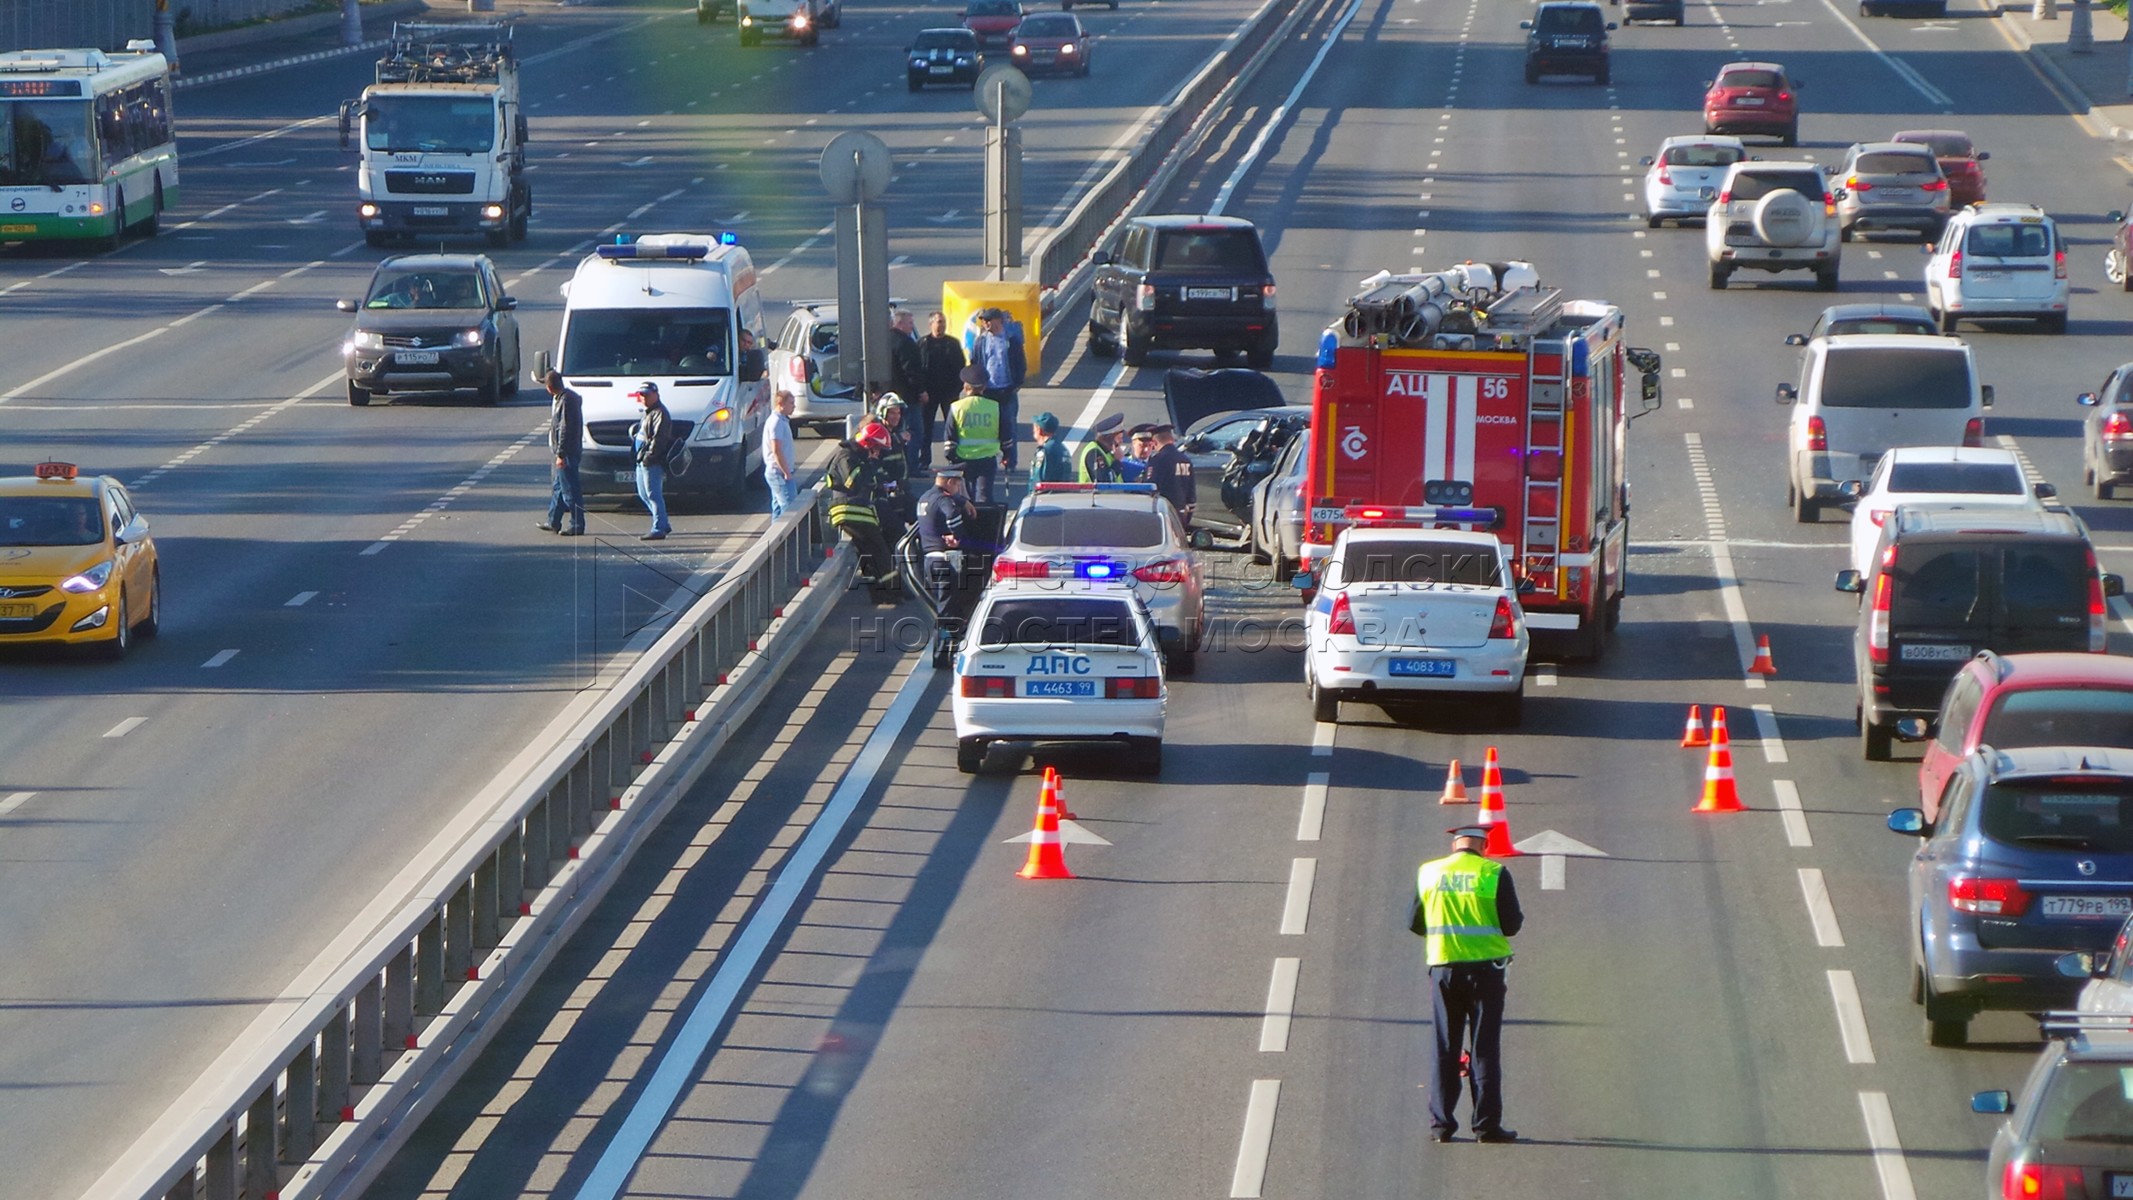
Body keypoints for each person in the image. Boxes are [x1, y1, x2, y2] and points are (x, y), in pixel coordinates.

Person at [1412, 824, 1524, 1144]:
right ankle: (1487, 1126)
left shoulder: (1429, 872)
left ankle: (1441, 1126)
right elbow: (1512, 924)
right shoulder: (1493, 873)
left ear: (1454, 846)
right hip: (1486, 972)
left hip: (1444, 969)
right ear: (1484, 846)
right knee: (1484, 1048)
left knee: (1445, 1046)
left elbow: (1414, 921)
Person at [827, 422, 902, 601]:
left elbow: (869, 482)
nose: (878, 453)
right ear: (869, 444)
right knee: (880, 551)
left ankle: (879, 593)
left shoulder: (857, 457)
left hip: (858, 509)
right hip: (850, 509)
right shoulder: (846, 456)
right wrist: (872, 464)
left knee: (868, 552)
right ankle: (895, 591)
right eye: (876, 449)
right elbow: (853, 482)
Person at [914, 463, 978, 633]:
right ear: (950, 482)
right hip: (944, 562)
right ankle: (946, 646)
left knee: (942, 604)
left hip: (930, 561)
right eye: (957, 484)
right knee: (947, 612)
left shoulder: (925, 498)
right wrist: (958, 538)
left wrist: (962, 501)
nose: (959, 488)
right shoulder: (944, 500)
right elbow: (951, 515)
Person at [972, 308, 1026, 472]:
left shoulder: (1011, 340)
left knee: (1009, 427)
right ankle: (988, 461)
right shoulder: (981, 341)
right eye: (983, 321)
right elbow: (975, 363)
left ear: (999, 321)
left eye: (989, 320)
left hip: (1007, 390)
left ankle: (1010, 461)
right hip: (987, 391)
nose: (986, 324)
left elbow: (1020, 364)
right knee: (988, 429)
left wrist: (1016, 384)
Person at [536, 370, 586, 536]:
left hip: (568, 452)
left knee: (570, 490)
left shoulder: (566, 401)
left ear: (549, 388)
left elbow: (564, 429)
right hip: (567, 451)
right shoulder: (566, 398)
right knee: (558, 488)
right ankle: (553, 521)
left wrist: (561, 454)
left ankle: (577, 525)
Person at [944, 365, 1003, 504]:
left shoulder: (957, 407)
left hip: (963, 458)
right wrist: (1007, 454)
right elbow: (1005, 432)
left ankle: (968, 522)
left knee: (964, 497)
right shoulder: (994, 406)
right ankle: (984, 523)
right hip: (987, 458)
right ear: (984, 387)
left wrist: (951, 455)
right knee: (984, 495)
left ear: (966, 386)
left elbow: (950, 434)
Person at [916, 311, 967, 456]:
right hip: (928, 393)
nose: (941, 325)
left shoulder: (953, 343)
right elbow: (917, 369)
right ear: (931, 324)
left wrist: (957, 388)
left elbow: (961, 367)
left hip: (949, 392)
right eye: (938, 322)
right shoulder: (922, 344)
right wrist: (921, 390)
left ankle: (955, 455)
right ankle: (924, 458)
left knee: (953, 426)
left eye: (943, 322)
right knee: (926, 428)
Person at [629, 382, 676, 541]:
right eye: (641, 395)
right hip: (642, 459)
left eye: (647, 395)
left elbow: (659, 439)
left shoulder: (660, 413)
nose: (643, 398)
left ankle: (659, 528)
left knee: (653, 494)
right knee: (643, 494)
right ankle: (663, 522)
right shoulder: (649, 412)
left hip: (652, 461)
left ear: (656, 394)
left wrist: (650, 456)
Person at [873, 394, 915, 543]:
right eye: (892, 412)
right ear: (883, 413)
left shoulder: (896, 435)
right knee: (896, 535)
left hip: (901, 493)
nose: (896, 417)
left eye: (898, 413)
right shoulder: (878, 433)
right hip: (885, 497)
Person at [1144, 423, 1197, 525]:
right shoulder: (1186, 460)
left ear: (1154, 442)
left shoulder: (1157, 460)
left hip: (1163, 513)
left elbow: (1150, 488)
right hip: (1181, 513)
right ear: (1172, 440)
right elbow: (1191, 494)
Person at [888, 310, 925, 454]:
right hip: (907, 396)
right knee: (914, 431)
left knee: (893, 431)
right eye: (910, 323)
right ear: (899, 323)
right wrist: (921, 391)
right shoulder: (906, 343)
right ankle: (911, 465)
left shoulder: (882, 341)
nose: (912, 326)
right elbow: (912, 371)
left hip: (887, 396)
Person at [763, 390, 800, 520]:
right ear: (780, 404)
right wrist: (786, 473)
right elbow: (776, 450)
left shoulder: (781, 421)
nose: (793, 406)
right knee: (789, 509)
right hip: (779, 473)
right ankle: (787, 539)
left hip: (779, 472)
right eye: (791, 403)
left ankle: (774, 538)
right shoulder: (776, 422)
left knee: (778, 509)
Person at [1075, 412, 1127, 483]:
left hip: (1114, 494)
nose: (1121, 441)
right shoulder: (1094, 453)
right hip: (1090, 493)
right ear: (1109, 437)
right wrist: (1117, 462)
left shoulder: (1107, 453)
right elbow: (1104, 482)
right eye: (1119, 438)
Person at [1027, 411, 1075, 485]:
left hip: (1046, 495)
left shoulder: (1045, 451)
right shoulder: (1063, 449)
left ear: (1039, 430)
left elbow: (1038, 480)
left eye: (1035, 427)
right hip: (1063, 493)